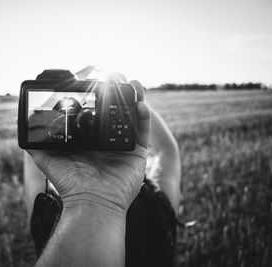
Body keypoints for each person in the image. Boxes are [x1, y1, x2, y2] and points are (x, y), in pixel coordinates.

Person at [22, 68, 181, 267]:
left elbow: (31, 150)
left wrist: (60, 91)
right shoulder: (158, 210)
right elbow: (168, 150)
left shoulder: (47, 217)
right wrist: (130, 101)